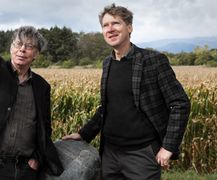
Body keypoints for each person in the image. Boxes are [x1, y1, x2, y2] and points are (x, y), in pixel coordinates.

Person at [63, 4, 190, 180]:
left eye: (116, 23)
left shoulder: (153, 61)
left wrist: (168, 147)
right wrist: (83, 134)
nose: (110, 29)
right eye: (105, 25)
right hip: (109, 154)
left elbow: (180, 104)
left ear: (129, 27)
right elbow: (107, 107)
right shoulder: (107, 63)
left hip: (142, 154)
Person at [0, 12, 63, 180]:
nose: (22, 49)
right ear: (11, 47)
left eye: (29, 46)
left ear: (36, 54)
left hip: (25, 168)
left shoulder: (42, 86)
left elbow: (44, 126)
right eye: (18, 44)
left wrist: (36, 158)